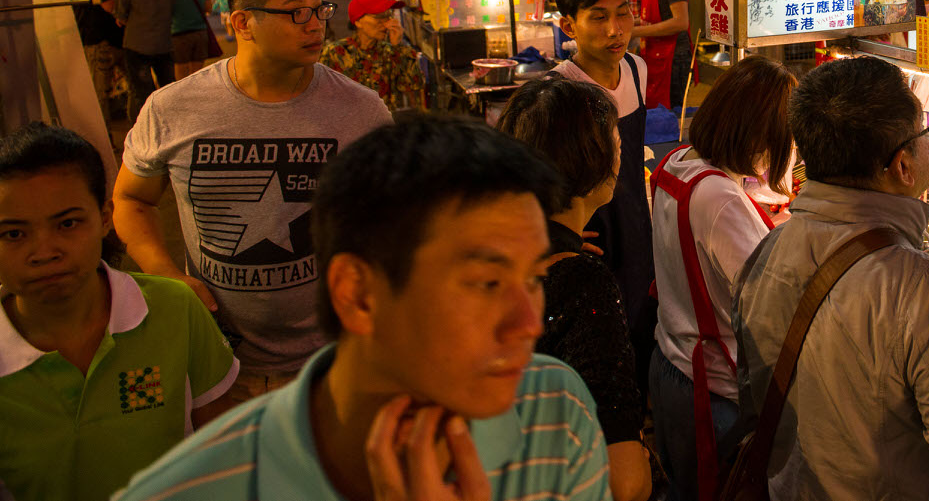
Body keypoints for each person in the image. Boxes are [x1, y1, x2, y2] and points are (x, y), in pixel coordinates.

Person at [115, 116, 610, 501]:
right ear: (358, 294)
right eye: (486, 282)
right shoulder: (193, 489)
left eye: (534, 279)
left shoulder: (554, 408)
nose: (528, 323)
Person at [733, 56, 929, 501]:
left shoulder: (766, 254)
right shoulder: (924, 291)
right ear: (903, 167)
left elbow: (755, 405)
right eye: (925, 130)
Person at [113, 0, 392, 404]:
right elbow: (130, 200)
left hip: (333, 360)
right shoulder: (172, 108)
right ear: (242, 22)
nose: (315, 24)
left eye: (319, 8)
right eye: (296, 12)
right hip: (217, 364)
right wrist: (166, 276)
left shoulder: (360, 110)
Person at [0, 124, 238, 501]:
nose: (44, 252)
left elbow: (225, 451)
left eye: (67, 223)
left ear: (105, 217)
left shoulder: (175, 309)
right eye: (14, 233)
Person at [497, 77, 651, 501]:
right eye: (616, 143)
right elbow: (626, 483)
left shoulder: (497, 255)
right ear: (591, 158)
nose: (621, 152)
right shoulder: (582, 282)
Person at [651, 56, 796, 501]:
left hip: (671, 363)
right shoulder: (720, 197)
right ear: (757, 134)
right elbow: (770, 297)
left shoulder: (680, 161)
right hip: (711, 389)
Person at [553, 0, 655, 394]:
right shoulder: (560, 92)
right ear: (568, 25)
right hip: (591, 236)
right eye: (598, 16)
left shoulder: (636, 70)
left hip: (636, 222)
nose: (615, 29)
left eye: (623, 12)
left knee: (642, 324)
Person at [607, 0, 690, 112]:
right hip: (654, 53)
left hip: (674, 57)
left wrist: (633, 32)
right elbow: (649, 17)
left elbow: (681, 22)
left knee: (671, 114)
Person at [319, 0, 426, 112]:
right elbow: (321, 98)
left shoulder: (390, 52)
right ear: (358, 22)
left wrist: (398, 46)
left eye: (388, 16)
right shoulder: (335, 53)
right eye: (379, 17)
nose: (387, 23)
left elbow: (413, 86)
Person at [115, 0, 178, 123]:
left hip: (136, 43)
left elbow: (120, 15)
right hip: (164, 42)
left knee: (142, 94)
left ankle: (146, 131)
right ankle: (171, 127)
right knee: (169, 90)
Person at [73, 0, 126, 122]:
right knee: (100, 92)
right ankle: (105, 138)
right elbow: (108, 6)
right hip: (98, 40)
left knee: (136, 88)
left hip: (123, 40)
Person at [169, 0, 216, 79]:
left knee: (181, 74)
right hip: (200, 33)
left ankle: (183, 98)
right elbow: (208, 9)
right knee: (197, 73)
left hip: (179, 35)